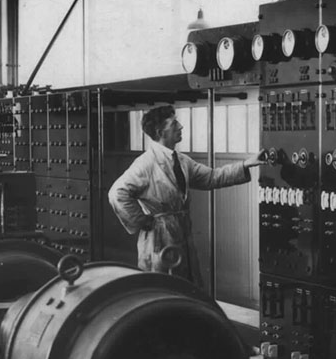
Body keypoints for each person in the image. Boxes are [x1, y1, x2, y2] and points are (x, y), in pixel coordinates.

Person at [109, 104, 264, 288]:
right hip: (158, 237)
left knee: (185, 285)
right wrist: (142, 220)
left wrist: (246, 164)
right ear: (160, 132)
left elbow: (212, 177)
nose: (180, 127)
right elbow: (117, 193)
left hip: (181, 231)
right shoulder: (146, 163)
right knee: (162, 288)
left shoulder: (182, 161)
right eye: (174, 124)